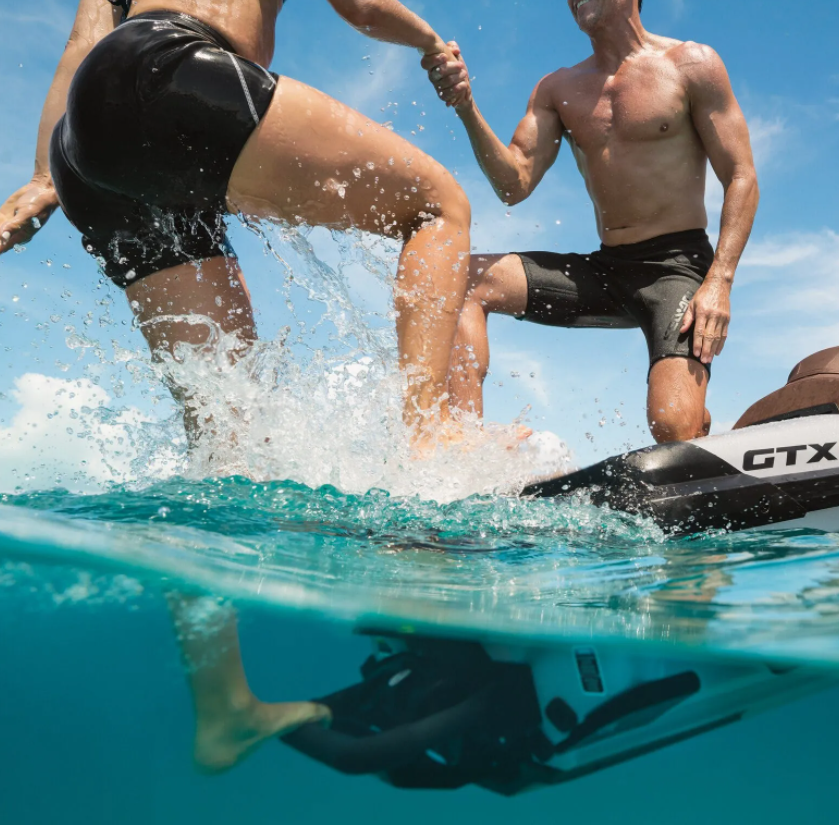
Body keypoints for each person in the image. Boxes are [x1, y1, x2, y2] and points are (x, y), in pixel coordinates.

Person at [0, 0, 473, 771]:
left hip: (87, 143)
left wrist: (39, 177)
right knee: (436, 204)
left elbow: (86, 37)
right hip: (173, 75)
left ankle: (223, 705)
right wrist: (426, 41)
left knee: (225, 440)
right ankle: (431, 441)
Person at [423, 0, 759, 443]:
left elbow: (741, 176)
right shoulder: (558, 88)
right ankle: (465, 443)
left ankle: (694, 418)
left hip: (676, 270)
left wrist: (720, 281)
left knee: (672, 427)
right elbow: (513, 183)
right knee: (462, 277)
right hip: (605, 269)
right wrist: (466, 105)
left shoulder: (692, 63)